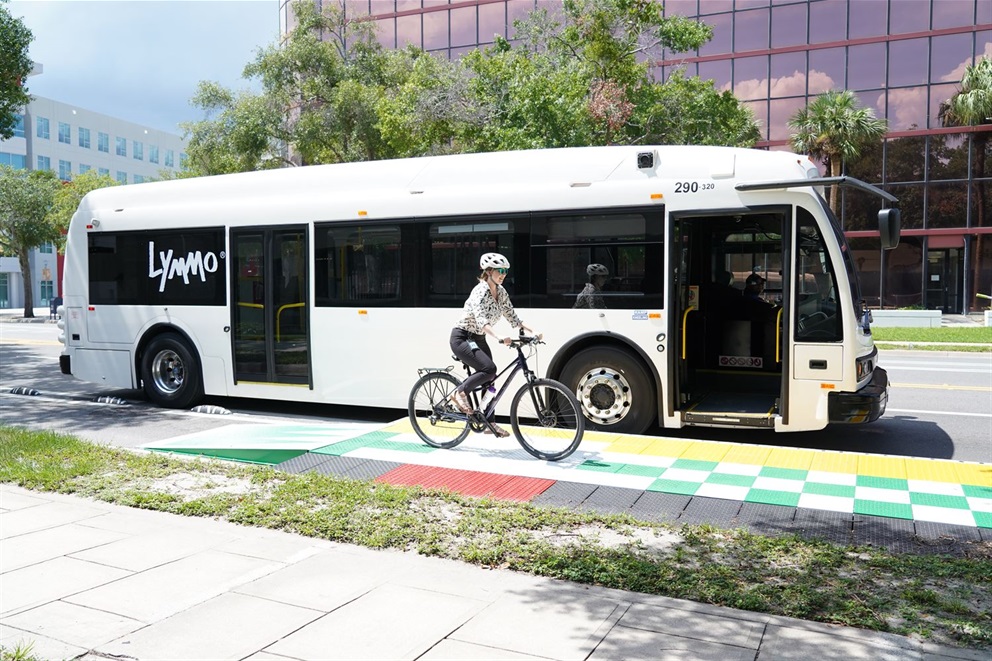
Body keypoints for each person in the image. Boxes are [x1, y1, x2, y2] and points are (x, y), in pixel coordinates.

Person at [448, 253, 540, 438]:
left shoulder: (501, 291)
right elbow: (481, 320)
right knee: (489, 369)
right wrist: (498, 335)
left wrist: (532, 330)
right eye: (500, 271)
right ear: (489, 271)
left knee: (490, 379)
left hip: (479, 339)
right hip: (462, 337)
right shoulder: (479, 291)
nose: (504, 274)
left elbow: (512, 316)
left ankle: (490, 424)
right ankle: (459, 392)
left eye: (506, 271)